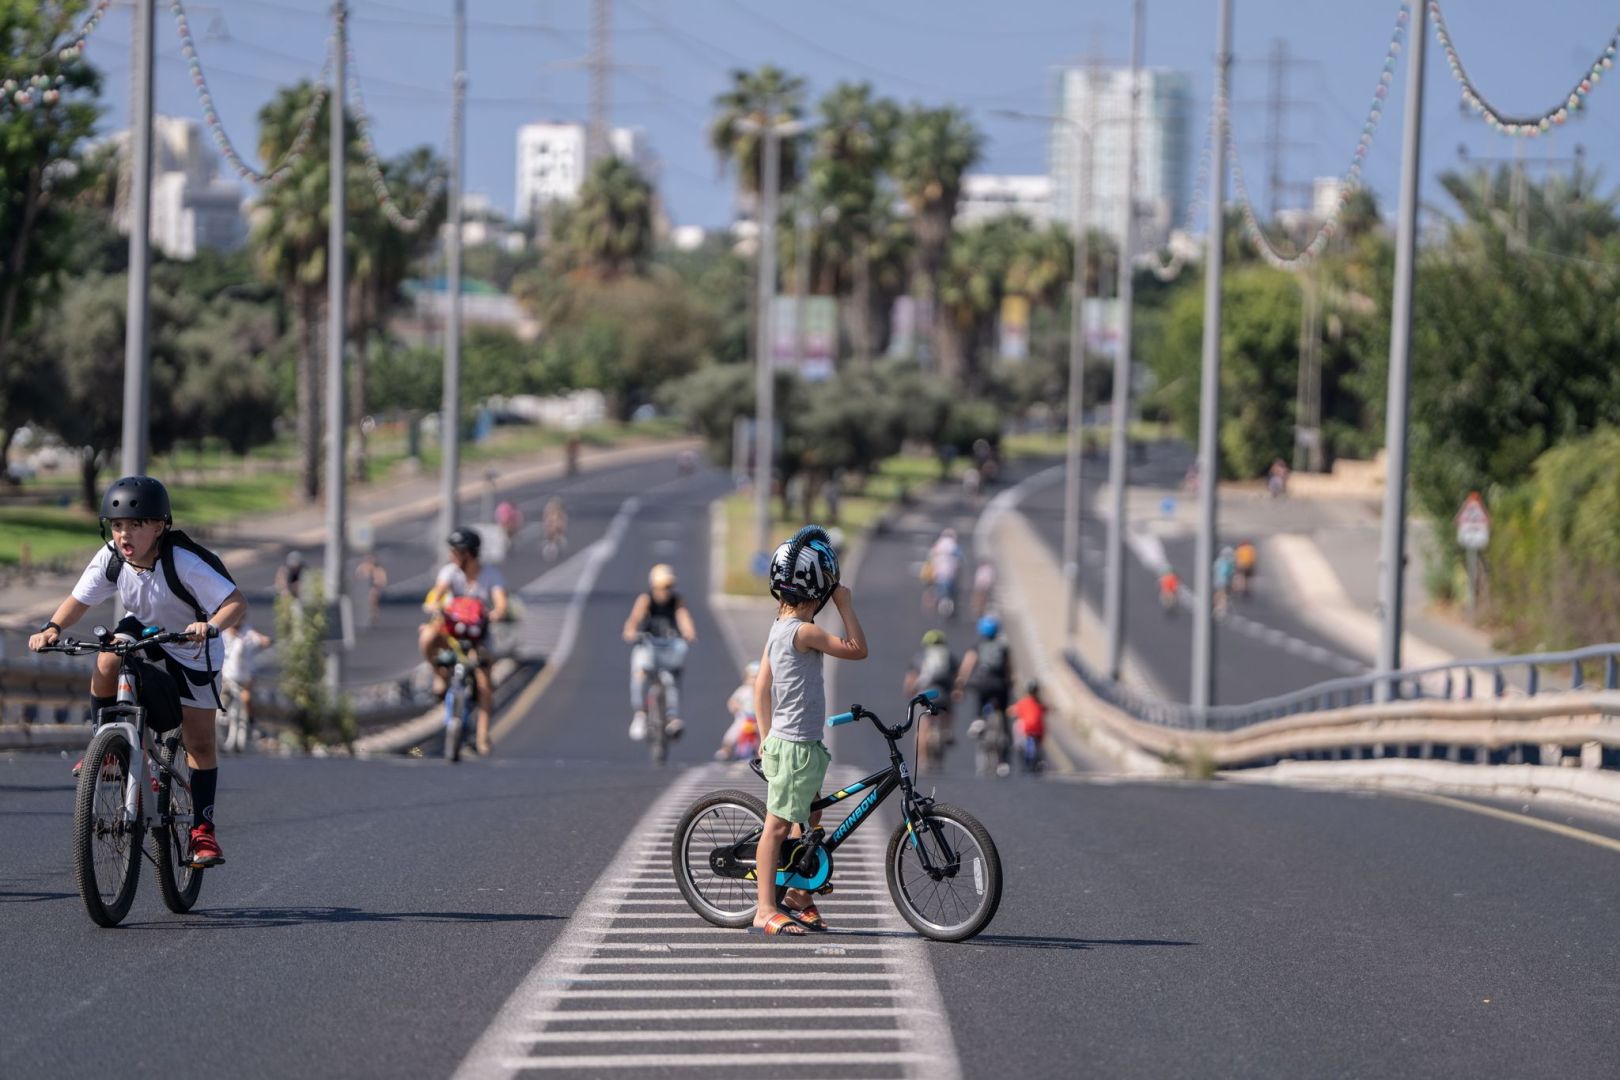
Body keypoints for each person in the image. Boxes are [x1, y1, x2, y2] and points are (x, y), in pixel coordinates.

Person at [28, 475, 246, 868]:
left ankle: (203, 832)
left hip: (191, 645)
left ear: (159, 526)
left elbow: (235, 602)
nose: (124, 534)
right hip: (145, 625)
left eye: (135, 524)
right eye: (116, 525)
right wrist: (52, 628)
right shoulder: (112, 557)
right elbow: (79, 600)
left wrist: (209, 625)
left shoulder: (182, 561)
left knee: (199, 743)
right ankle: (106, 748)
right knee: (107, 655)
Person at [752, 531, 867, 935]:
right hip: (795, 747)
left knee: (810, 817)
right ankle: (766, 908)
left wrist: (765, 736)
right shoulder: (803, 632)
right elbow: (857, 647)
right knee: (778, 826)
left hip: (801, 745)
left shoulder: (778, 628)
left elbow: (760, 686)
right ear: (817, 592)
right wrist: (846, 604)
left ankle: (799, 896)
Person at [420, 527, 509, 756]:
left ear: (468, 553)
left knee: (484, 684)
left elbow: (501, 602)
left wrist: (497, 612)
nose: (452, 556)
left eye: (456, 552)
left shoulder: (490, 575)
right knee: (427, 636)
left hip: (478, 637)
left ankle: (482, 736)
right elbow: (437, 593)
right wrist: (434, 604)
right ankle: (439, 676)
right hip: (452, 635)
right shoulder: (450, 572)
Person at [621, 564, 698, 742]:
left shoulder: (676, 600)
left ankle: (672, 717)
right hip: (649, 643)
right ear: (654, 586)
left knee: (672, 678)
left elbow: (683, 617)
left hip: (669, 646)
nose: (666, 591)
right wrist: (631, 631)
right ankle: (640, 714)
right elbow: (634, 620)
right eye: (663, 587)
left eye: (668, 586)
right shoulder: (646, 599)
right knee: (640, 673)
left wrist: (689, 632)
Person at [958, 614, 1015, 777]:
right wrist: (1010, 682)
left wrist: (960, 684)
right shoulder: (1003, 646)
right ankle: (1003, 762)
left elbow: (967, 666)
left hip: (982, 683)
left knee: (980, 699)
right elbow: (1010, 669)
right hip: (1000, 685)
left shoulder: (978, 645)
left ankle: (978, 720)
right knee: (1004, 720)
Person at [903, 629, 958, 774]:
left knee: (922, 728)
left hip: (925, 695)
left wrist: (909, 690)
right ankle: (947, 731)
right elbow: (956, 678)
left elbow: (911, 678)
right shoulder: (949, 657)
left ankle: (922, 760)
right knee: (948, 710)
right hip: (943, 694)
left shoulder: (919, 657)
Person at [220, 621, 271, 753]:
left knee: (246, 698)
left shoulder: (247, 632)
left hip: (245, 678)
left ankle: (252, 723)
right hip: (227, 677)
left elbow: (260, 639)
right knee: (222, 698)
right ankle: (222, 720)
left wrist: (265, 640)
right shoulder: (222, 633)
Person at [714, 661, 763, 762]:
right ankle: (726, 750)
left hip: (756, 719)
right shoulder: (743, 690)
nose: (754, 680)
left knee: (761, 735)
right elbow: (732, 701)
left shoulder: (761, 691)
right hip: (743, 718)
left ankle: (761, 755)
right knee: (732, 733)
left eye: (756, 677)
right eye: (752, 677)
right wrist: (735, 707)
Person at [924, 528, 962, 617]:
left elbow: (930, 558)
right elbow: (960, 559)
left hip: (938, 572)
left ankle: (934, 603)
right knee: (953, 591)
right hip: (951, 572)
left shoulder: (938, 545)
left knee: (937, 589)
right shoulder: (953, 545)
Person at [1011, 680, 1046, 773]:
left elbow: (1013, 710)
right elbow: (1045, 709)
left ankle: (1023, 755)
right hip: (1038, 730)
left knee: (1018, 736)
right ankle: (1038, 761)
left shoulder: (1023, 702)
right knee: (1038, 745)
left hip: (1027, 729)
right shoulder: (1039, 703)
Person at [355, 552, 388, 627]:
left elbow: (382, 581)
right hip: (363, 589)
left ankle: (373, 616)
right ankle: (368, 615)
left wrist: (378, 585)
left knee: (372, 601)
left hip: (374, 588)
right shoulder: (362, 567)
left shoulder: (378, 569)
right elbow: (357, 576)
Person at [1213, 546, 1238, 618]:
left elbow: (1215, 570)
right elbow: (1229, 573)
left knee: (1219, 595)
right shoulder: (1228, 563)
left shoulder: (1219, 561)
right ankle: (1221, 610)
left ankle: (1217, 608)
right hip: (1224, 581)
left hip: (1218, 581)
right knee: (1223, 596)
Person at [541, 496, 568, 561]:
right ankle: (553, 544)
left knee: (553, 534)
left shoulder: (552, 510)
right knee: (553, 534)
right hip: (553, 524)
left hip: (553, 524)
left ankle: (553, 544)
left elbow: (545, 517)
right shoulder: (554, 510)